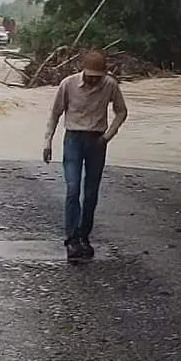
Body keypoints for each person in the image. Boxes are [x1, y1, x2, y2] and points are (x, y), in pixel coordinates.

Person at [43, 49, 128, 263]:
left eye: (97, 77)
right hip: (73, 139)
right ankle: (71, 238)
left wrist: (108, 136)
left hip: (97, 141)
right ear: (83, 71)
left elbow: (122, 111)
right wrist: (47, 142)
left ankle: (84, 236)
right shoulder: (68, 84)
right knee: (73, 189)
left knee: (91, 193)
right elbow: (55, 114)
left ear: (104, 74)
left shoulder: (110, 85)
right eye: (90, 76)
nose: (93, 80)